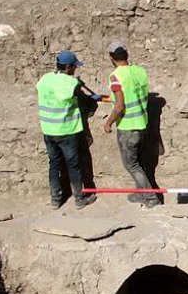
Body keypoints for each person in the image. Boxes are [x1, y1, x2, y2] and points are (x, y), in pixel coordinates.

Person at [36, 51, 98, 209]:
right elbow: (87, 102)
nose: (75, 70)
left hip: (48, 130)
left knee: (54, 164)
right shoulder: (72, 85)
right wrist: (94, 98)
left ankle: (55, 200)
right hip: (66, 131)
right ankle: (79, 198)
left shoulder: (45, 79)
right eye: (74, 67)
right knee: (73, 165)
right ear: (68, 66)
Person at [103, 41, 160, 208]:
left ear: (111, 57)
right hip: (143, 123)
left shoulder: (116, 76)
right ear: (126, 54)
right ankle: (140, 193)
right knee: (139, 163)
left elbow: (120, 106)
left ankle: (151, 198)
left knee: (132, 165)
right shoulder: (139, 71)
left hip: (128, 127)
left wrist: (108, 122)